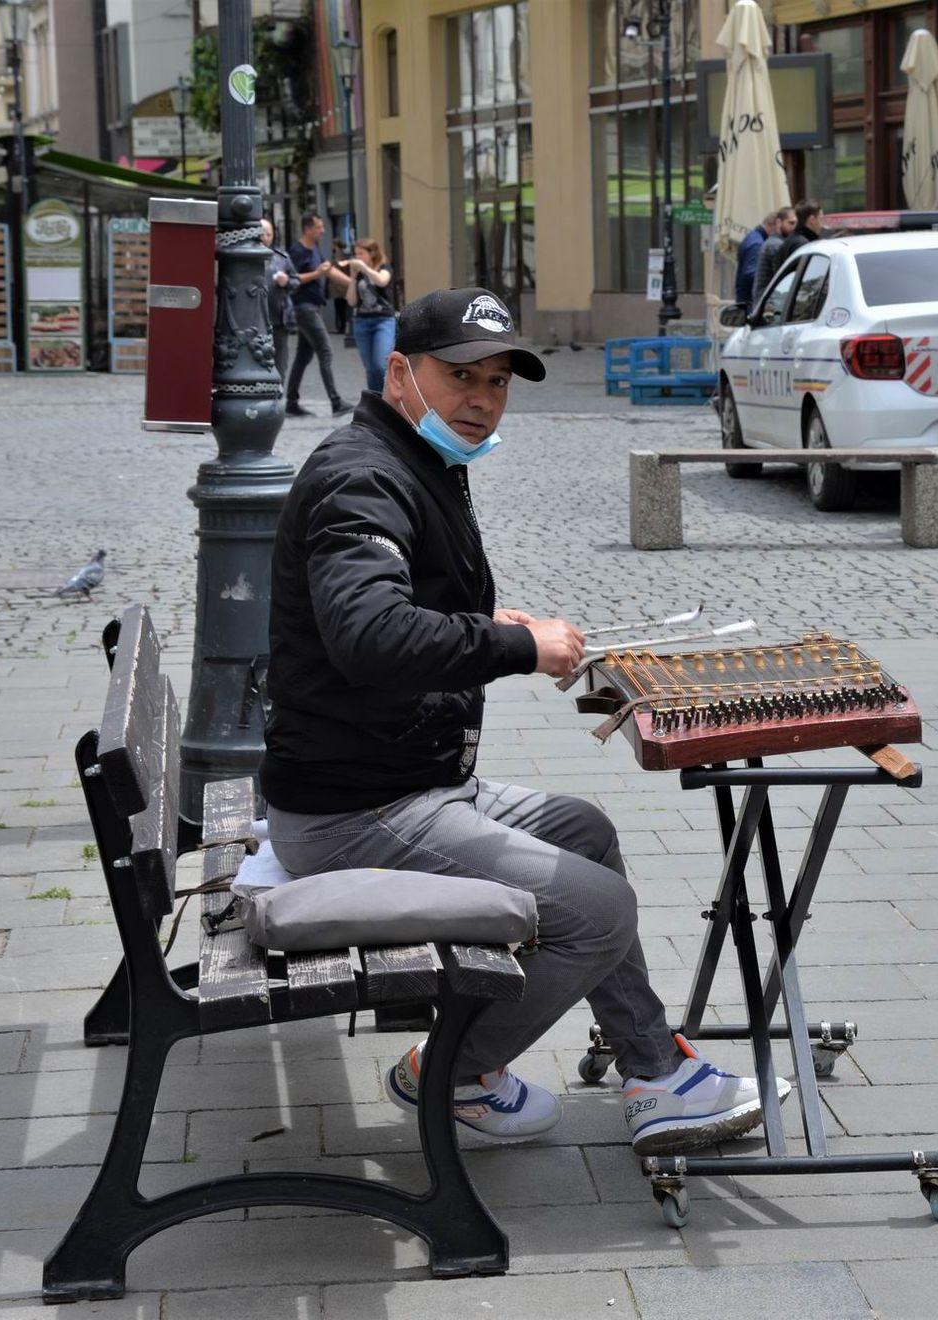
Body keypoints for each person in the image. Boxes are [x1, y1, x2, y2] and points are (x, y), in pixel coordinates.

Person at [260, 286, 782, 1153]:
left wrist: (490, 627)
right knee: (598, 910)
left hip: (406, 780)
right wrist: (513, 644)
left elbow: (404, 614)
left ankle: (653, 1069)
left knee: (586, 831)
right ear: (400, 373)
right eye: (461, 376)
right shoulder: (362, 477)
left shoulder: (414, 459)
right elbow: (369, 636)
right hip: (355, 810)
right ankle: (450, 1073)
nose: (482, 399)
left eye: (498, 381)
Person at [285, 213, 350, 417]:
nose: (323, 230)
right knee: (325, 351)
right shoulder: (297, 251)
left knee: (303, 356)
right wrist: (316, 274)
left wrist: (353, 284)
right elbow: (290, 278)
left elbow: (328, 270)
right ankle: (336, 402)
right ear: (308, 229)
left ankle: (291, 402)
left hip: (312, 306)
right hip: (303, 308)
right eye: (319, 227)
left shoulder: (315, 249)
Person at [335, 238, 398, 394]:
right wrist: (353, 277)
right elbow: (351, 300)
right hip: (362, 322)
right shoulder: (359, 274)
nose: (357, 257)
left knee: (380, 364)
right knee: (370, 369)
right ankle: (375, 401)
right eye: (356, 254)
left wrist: (364, 268)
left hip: (383, 321)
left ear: (372, 253)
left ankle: (387, 398)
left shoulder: (384, 267)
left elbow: (382, 281)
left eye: (361, 254)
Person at [260, 217, 297, 382]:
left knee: (280, 361)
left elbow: (296, 281)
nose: (266, 237)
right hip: (255, 320)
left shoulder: (281, 257)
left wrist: (286, 281)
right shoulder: (246, 255)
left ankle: (278, 391)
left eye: (269, 234)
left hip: (279, 319)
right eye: (263, 234)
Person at [750, 205, 796, 309]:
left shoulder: (773, 242)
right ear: (779, 223)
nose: (794, 227)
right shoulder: (776, 245)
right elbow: (782, 279)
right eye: (791, 223)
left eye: (795, 224)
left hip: (766, 301)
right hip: (769, 305)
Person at [734, 209, 780, 309]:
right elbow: (751, 274)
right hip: (750, 303)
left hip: (746, 300)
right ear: (774, 225)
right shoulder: (757, 244)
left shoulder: (754, 237)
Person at [778, 199, 823, 266]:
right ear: (812, 219)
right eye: (821, 218)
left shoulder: (790, 239)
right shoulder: (804, 245)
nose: (822, 224)